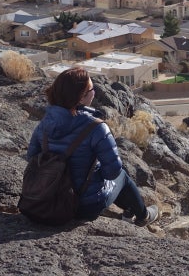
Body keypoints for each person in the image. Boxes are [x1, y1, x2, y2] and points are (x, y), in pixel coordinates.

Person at [26, 67, 159, 226]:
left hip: (47, 199)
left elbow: (32, 157)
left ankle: (130, 211)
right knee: (122, 176)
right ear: (81, 98)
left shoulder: (44, 124)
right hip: (84, 206)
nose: (94, 92)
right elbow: (112, 172)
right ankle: (143, 216)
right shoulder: (95, 127)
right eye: (91, 89)